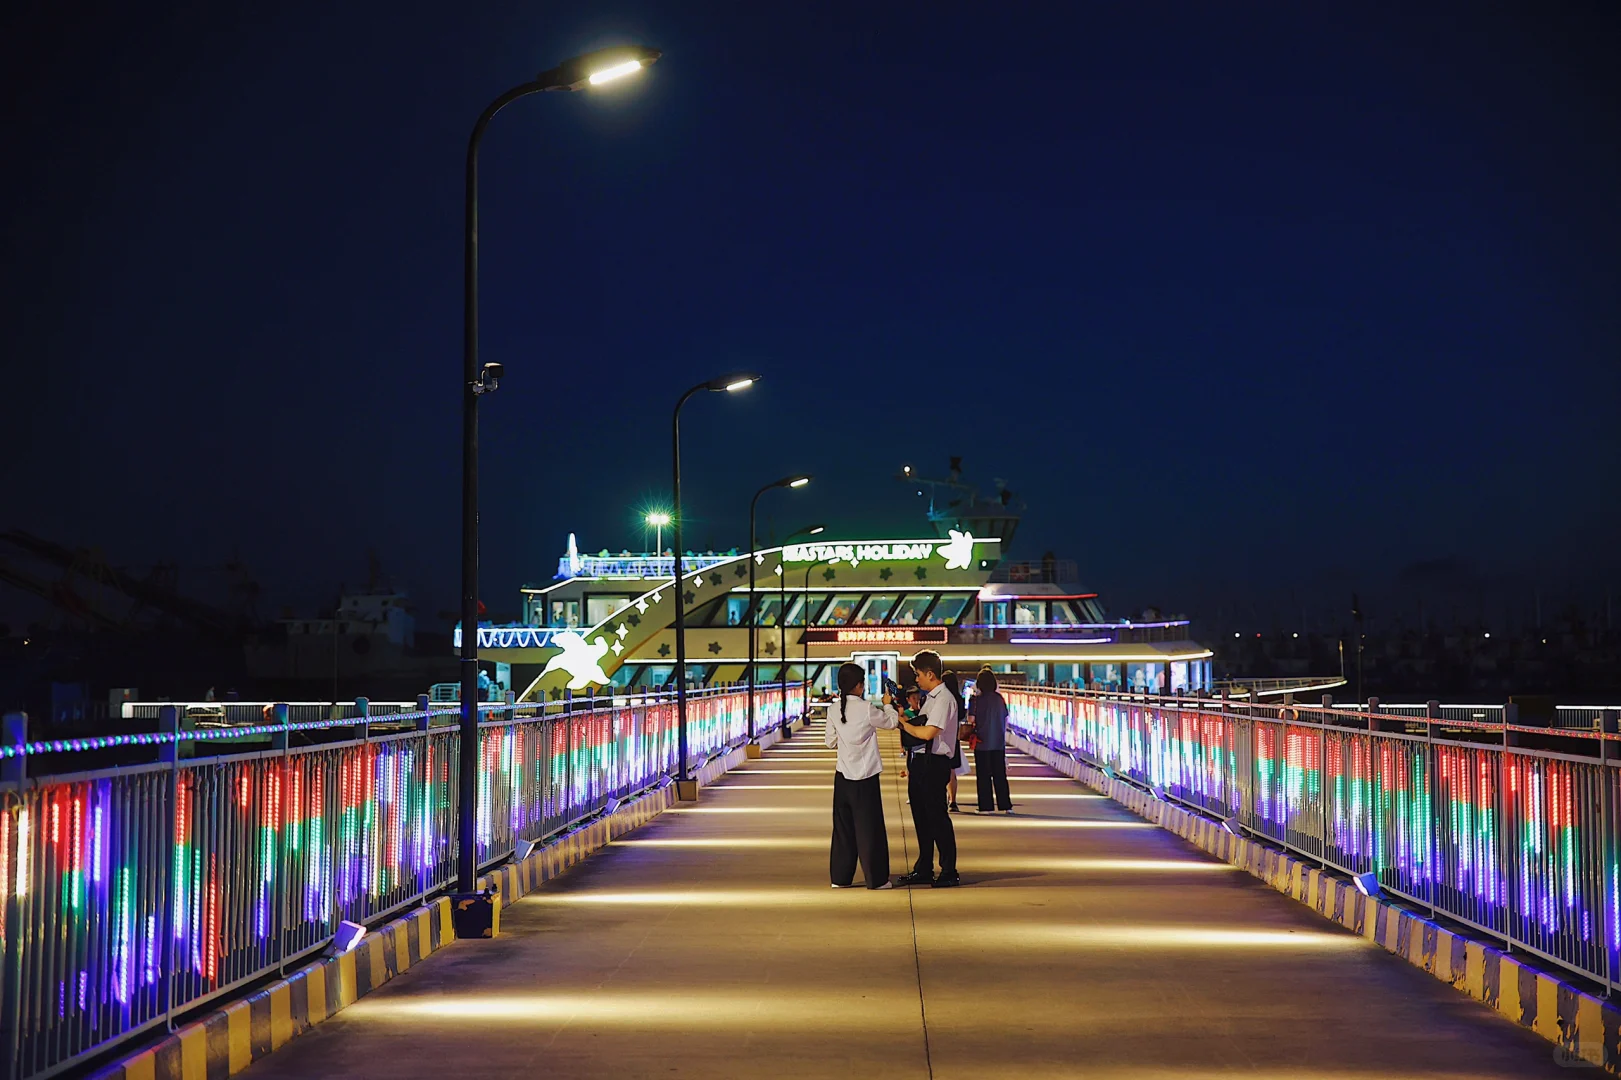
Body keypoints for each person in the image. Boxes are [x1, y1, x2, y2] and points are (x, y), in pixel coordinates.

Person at [825, 662, 898, 889]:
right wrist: (888, 704)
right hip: (866, 777)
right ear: (858, 685)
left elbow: (830, 742)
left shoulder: (833, 710)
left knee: (843, 829)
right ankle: (876, 879)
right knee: (870, 829)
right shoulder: (867, 708)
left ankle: (840, 878)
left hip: (843, 776)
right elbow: (892, 723)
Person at [892, 650, 960, 888]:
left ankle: (949, 870)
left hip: (934, 764)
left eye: (918, 674)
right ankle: (924, 868)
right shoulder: (930, 698)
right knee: (921, 818)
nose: (916, 679)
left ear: (930, 674)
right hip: (921, 762)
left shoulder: (944, 699)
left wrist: (902, 724)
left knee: (937, 818)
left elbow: (929, 732)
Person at [970, 667, 1013, 813]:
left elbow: (971, 719)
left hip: (981, 742)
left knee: (983, 775)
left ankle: (986, 806)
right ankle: (1006, 805)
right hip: (998, 742)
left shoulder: (976, 700)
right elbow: (1005, 717)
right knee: (1000, 774)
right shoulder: (999, 699)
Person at [942, 671, 971, 812]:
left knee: (940, 769)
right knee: (951, 770)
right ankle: (953, 800)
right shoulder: (959, 699)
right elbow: (962, 716)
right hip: (954, 738)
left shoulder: (942, 699)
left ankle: (943, 798)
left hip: (941, 737)